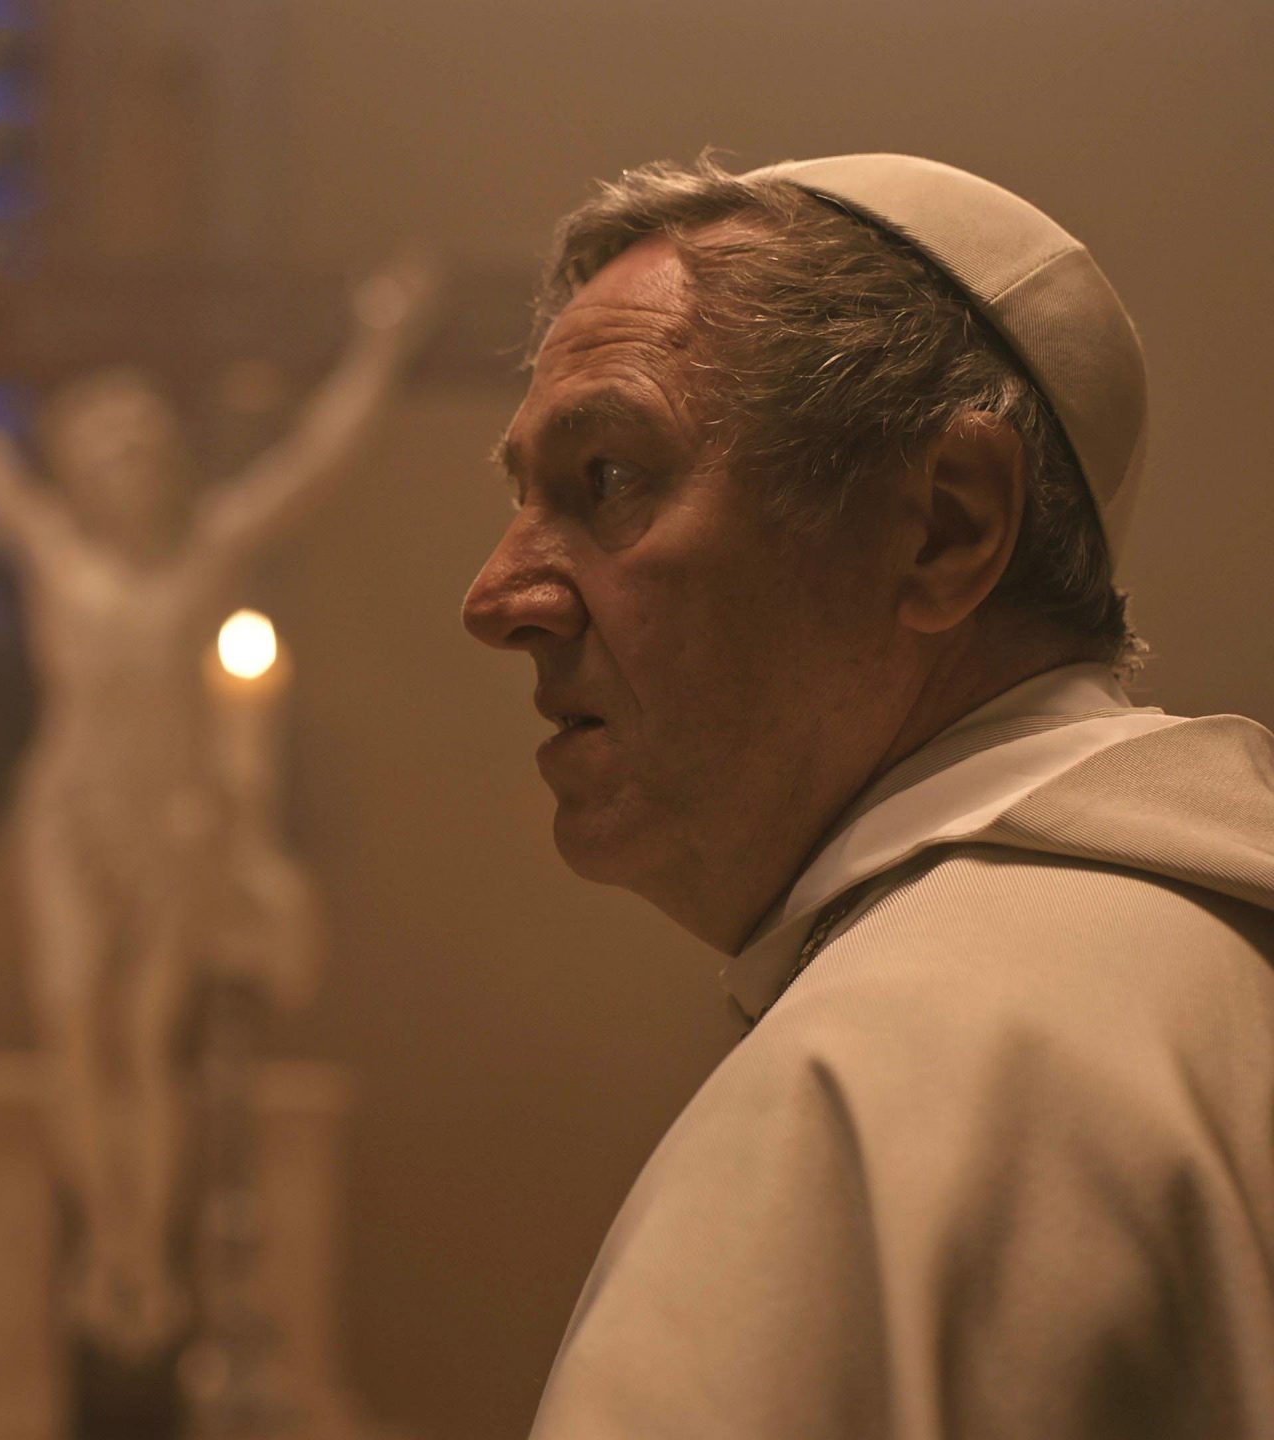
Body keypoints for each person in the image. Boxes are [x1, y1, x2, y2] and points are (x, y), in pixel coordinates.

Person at [464, 150, 1274, 1436]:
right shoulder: (1203, 973)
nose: (497, 598)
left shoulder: (898, 1071)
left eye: (607, 478)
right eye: (522, 497)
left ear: (944, 526)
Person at [0, 255, 437, 1358]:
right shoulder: (52, 549)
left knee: (145, 1036)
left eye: (142, 447)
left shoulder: (202, 552)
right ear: (77, 469)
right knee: (73, 1020)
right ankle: (106, 1244)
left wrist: (379, 346)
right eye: (107, 449)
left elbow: (310, 465)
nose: (128, 465)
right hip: (68, 813)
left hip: (169, 819)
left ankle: (144, 1256)